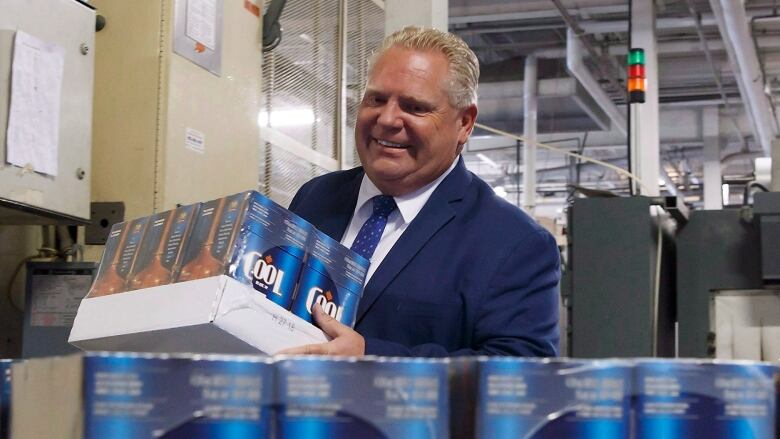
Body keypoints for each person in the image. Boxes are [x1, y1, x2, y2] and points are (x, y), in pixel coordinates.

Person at [281, 26, 560, 357]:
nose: (386, 119)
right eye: (376, 99)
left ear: (465, 123)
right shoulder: (316, 197)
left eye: (414, 107)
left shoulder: (515, 244)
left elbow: (520, 374)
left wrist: (371, 361)